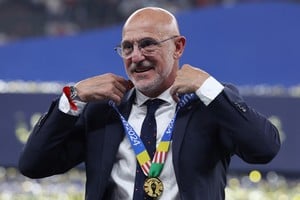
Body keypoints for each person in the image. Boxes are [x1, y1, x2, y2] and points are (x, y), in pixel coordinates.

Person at [18, 6, 281, 200]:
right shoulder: (104, 111)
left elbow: (264, 148)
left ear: (178, 47)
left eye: (147, 44)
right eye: (127, 47)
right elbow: (33, 164)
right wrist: (72, 96)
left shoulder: (208, 105)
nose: (136, 56)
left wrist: (209, 88)